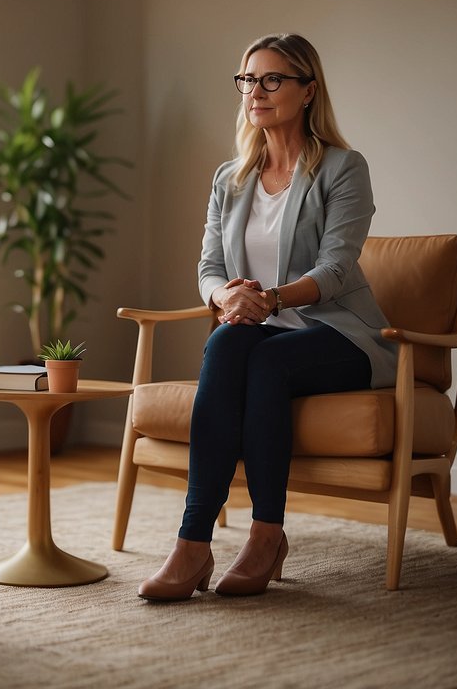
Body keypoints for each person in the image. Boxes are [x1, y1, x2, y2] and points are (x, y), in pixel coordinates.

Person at [137, 33, 396, 601]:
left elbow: (335, 268)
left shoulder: (343, 168)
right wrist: (224, 299)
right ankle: (193, 543)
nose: (256, 90)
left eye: (273, 79)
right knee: (229, 345)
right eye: (248, 79)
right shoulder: (230, 178)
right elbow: (208, 266)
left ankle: (265, 534)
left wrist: (271, 300)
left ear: (308, 91)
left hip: (340, 334)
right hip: (258, 334)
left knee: (263, 359)